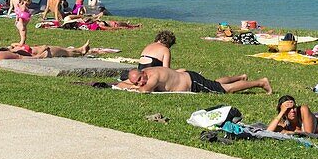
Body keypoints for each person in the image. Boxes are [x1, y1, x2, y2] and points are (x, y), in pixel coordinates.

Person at [116, 67, 271, 94]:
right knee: (216, 83)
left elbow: (145, 91)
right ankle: (240, 77)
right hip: (190, 77)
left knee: (225, 89)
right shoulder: (146, 74)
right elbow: (122, 84)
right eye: (136, 82)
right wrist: (128, 85)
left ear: (144, 74)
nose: (139, 83)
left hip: (193, 83)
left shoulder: (153, 76)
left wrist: (132, 88)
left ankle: (260, 82)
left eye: (140, 80)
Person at [0, 41, 90, 64]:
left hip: (7, 53)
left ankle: (79, 50)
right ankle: (78, 51)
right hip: (5, 56)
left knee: (51, 48)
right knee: (52, 51)